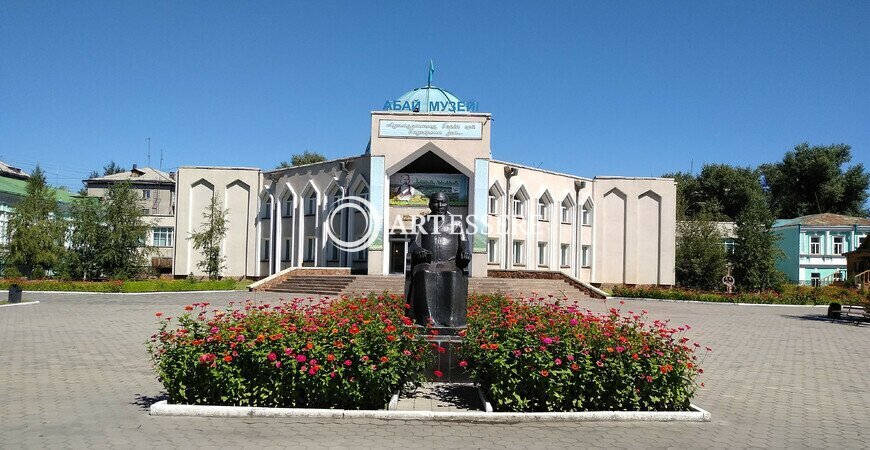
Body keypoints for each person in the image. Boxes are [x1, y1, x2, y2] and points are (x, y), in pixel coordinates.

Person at [405, 192, 471, 329]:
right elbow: (412, 243)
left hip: (450, 262)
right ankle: (427, 317)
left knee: (452, 274)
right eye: (436, 202)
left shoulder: (457, 222)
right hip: (427, 262)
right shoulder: (421, 222)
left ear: (448, 205)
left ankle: (452, 318)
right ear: (430, 204)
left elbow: (464, 243)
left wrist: (465, 252)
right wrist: (418, 249)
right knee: (424, 273)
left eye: (443, 202)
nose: (439, 205)